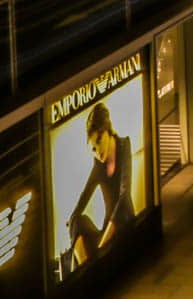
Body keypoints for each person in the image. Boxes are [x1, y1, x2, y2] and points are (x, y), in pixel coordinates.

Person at [67, 103, 136, 271]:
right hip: (106, 231)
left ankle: (90, 268)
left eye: (99, 140)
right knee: (77, 220)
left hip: (122, 225)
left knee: (121, 207)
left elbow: (124, 196)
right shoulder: (98, 165)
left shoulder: (124, 145)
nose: (97, 151)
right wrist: (71, 222)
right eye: (93, 148)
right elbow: (82, 199)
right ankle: (86, 269)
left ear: (107, 130)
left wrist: (102, 245)